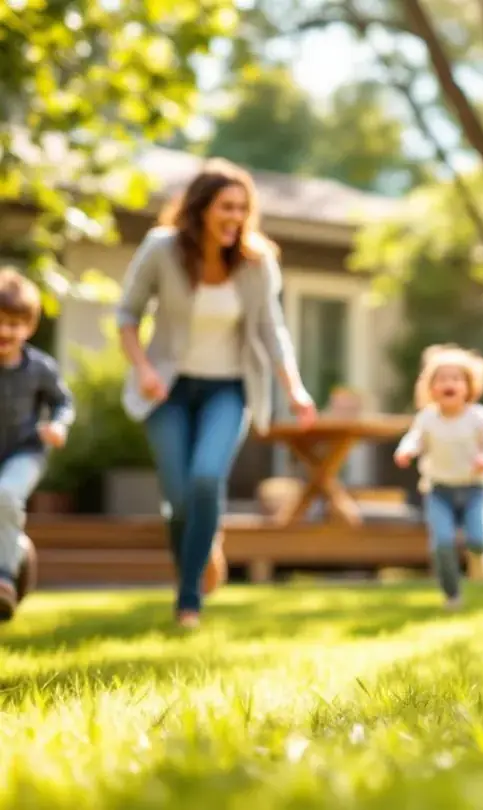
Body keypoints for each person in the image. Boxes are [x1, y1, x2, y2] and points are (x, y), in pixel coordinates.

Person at [117, 158, 317, 630]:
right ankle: (203, 546)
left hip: (229, 388)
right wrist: (143, 369)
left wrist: (294, 387)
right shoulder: (161, 249)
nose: (235, 217)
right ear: (201, 208)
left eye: (243, 208)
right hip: (167, 388)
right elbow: (127, 314)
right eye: (226, 206)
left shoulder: (257, 261)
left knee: (207, 478)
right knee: (178, 499)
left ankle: (189, 601)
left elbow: (273, 329)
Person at [393, 344, 483, 610]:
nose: (449, 384)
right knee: (442, 544)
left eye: (455, 379)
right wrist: (406, 450)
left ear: (468, 386)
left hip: (474, 489)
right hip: (438, 491)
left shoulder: (480, 417)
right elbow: (414, 439)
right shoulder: (427, 418)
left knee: (478, 540)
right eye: (441, 379)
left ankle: (481, 557)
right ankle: (452, 595)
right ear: (431, 389)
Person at [0, 269, 75, 621]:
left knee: (5, 495)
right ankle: (18, 549)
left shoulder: (40, 368)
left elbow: (64, 402)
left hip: (25, 452)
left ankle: (2, 580)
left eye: (14, 324)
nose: (5, 331)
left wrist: (58, 425)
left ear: (29, 327)